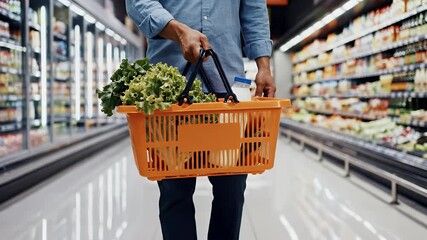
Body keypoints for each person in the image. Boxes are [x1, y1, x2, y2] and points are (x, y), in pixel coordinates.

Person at [125, 1, 276, 239]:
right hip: (169, 90)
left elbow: (253, 7)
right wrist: (177, 30)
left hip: (228, 88)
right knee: (175, 191)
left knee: (232, 190)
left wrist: (264, 65)